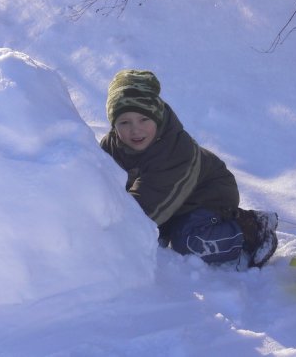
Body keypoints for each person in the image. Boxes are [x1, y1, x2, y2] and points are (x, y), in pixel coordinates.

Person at [100, 69, 278, 268]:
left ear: (157, 117)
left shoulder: (175, 150)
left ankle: (250, 228)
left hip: (208, 195)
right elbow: (100, 183)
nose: (135, 129)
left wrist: (109, 234)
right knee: (154, 235)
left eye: (144, 119)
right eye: (124, 122)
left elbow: (145, 208)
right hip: (169, 200)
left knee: (190, 242)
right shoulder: (111, 145)